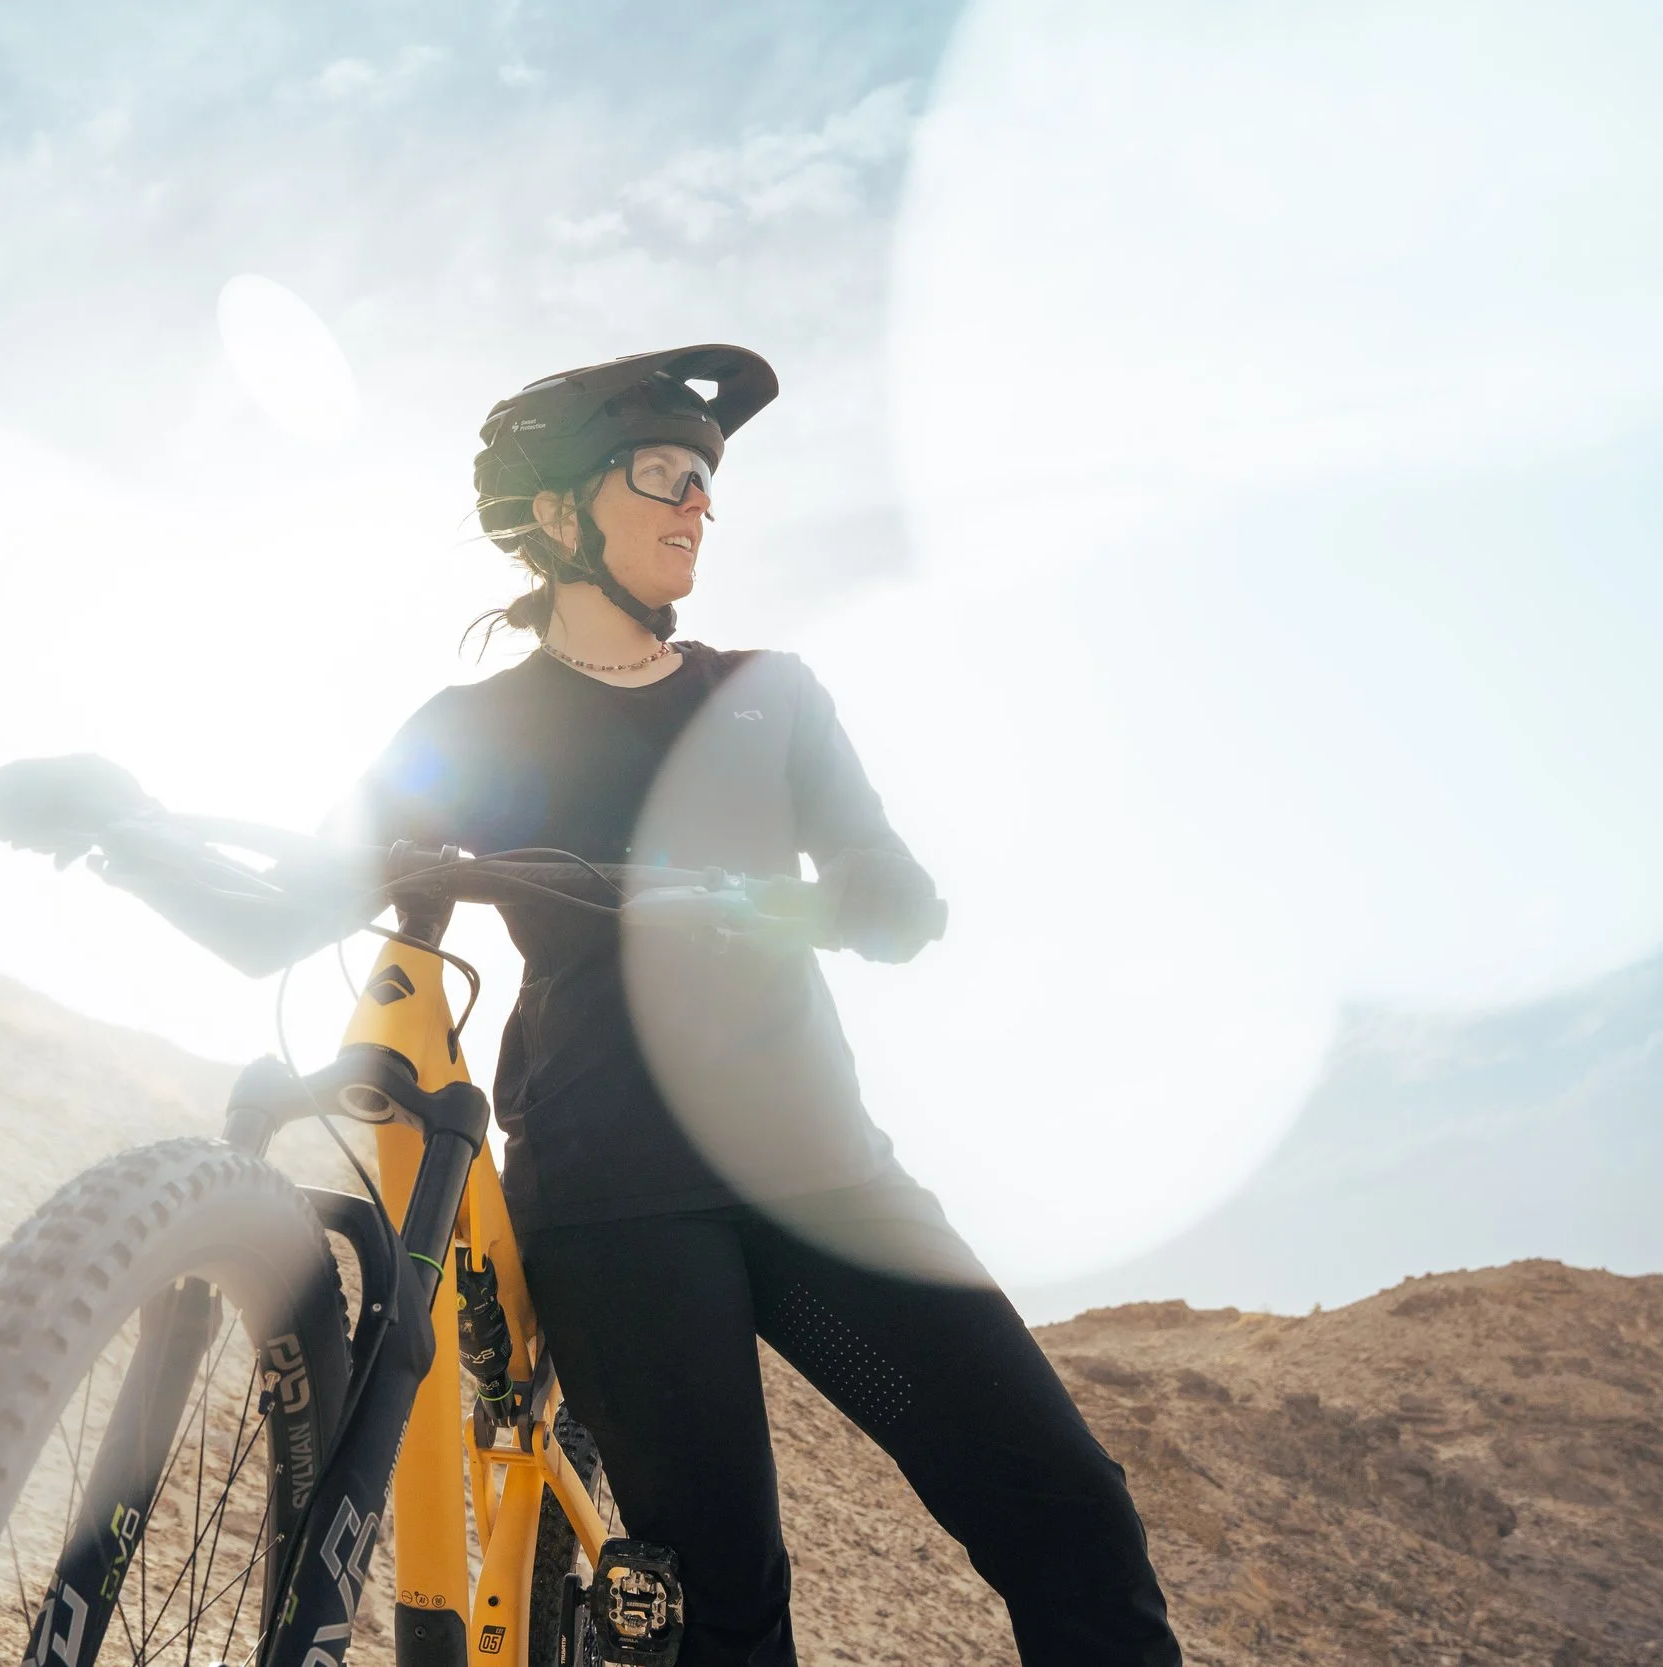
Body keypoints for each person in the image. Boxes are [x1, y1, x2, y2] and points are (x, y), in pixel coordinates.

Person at [347, 346, 1182, 1666]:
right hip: (614, 1191)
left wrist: (807, 902)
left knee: (1069, 1513)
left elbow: (894, 899)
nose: (699, 503)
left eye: (708, 480)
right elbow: (327, 885)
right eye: (663, 472)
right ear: (560, 511)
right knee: (724, 1609)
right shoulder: (476, 725)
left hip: (819, 1172)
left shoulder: (766, 695)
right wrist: (124, 832)